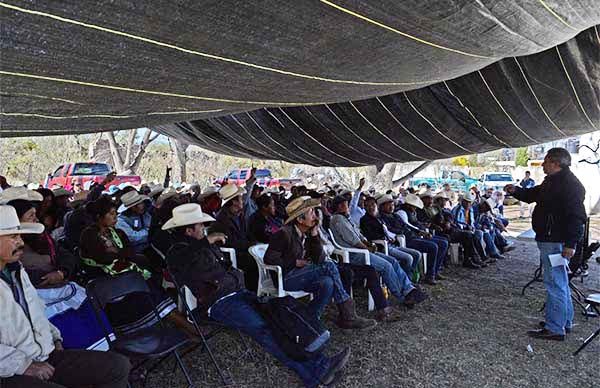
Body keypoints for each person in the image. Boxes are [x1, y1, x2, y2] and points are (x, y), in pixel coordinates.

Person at [164, 203, 352, 388]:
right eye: (200, 226)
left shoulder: (199, 245)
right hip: (218, 303)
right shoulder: (178, 251)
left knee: (279, 317)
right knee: (265, 330)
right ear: (188, 231)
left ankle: (321, 363)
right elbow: (184, 261)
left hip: (237, 293)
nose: (204, 229)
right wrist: (206, 242)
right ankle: (315, 373)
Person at [0, 205, 131, 387]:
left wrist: (54, 337)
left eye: (20, 236)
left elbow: (35, 310)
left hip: (42, 355)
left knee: (118, 366)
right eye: (13, 237)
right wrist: (23, 365)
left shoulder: (15, 270)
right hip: (8, 371)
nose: (21, 242)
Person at [79, 196, 196, 338]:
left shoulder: (118, 233)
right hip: (109, 284)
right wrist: (119, 254)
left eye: (116, 213)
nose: (115, 217)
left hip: (127, 276)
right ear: (99, 216)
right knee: (148, 295)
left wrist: (117, 253)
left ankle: (185, 327)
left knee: (152, 290)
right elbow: (102, 258)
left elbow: (129, 253)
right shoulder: (89, 235)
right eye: (111, 214)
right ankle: (190, 329)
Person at [505, 148, 587, 341]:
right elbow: (532, 194)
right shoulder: (553, 181)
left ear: (555, 163)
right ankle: (562, 322)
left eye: (545, 161)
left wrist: (570, 244)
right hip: (552, 239)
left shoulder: (569, 185)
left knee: (555, 283)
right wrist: (516, 191)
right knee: (561, 282)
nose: (542, 165)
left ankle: (555, 327)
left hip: (555, 241)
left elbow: (577, 217)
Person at [265, 196, 376, 329]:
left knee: (327, 283)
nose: (315, 215)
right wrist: (294, 262)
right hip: (285, 277)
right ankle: (347, 313)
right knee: (329, 266)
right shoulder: (284, 234)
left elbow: (319, 258)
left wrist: (314, 234)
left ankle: (309, 319)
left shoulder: (306, 233)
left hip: (299, 274)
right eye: (311, 213)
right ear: (300, 219)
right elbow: (269, 259)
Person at [330, 196, 427, 306]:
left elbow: (359, 236)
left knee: (393, 261)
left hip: (363, 250)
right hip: (354, 254)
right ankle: (402, 296)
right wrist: (367, 248)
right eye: (344, 205)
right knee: (386, 266)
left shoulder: (345, 218)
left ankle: (409, 289)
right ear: (338, 206)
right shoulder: (338, 219)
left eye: (346, 204)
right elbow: (353, 240)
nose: (347, 207)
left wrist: (369, 244)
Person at [210, 183, 259, 291]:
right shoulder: (222, 220)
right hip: (231, 255)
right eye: (240, 199)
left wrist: (254, 243)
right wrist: (250, 245)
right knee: (255, 262)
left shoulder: (239, 215)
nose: (242, 201)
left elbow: (247, 234)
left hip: (244, 250)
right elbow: (230, 242)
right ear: (234, 202)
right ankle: (252, 292)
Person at [360, 195, 421, 280]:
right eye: (368, 205)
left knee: (416, 254)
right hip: (382, 246)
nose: (371, 207)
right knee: (408, 258)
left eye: (373, 205)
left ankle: (408, 278)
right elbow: (370, 236)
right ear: (365, 207)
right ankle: (404, 281)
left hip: (392, 243)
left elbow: (388, 230)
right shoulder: (365, 220)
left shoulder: (379, 217)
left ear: (376, 205)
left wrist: (391, 236)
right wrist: (385, 238)